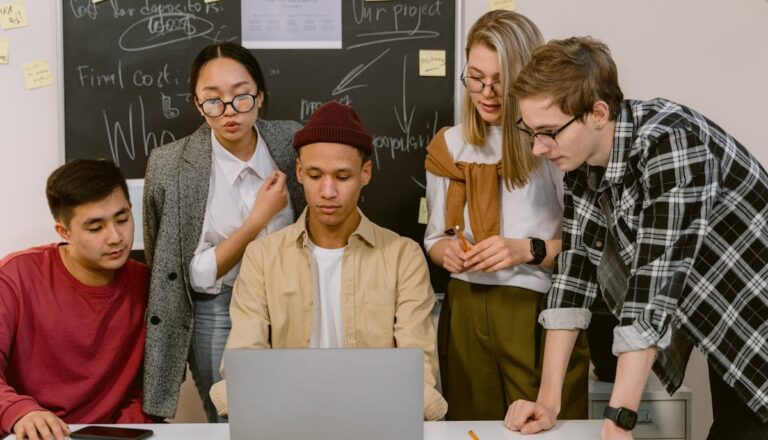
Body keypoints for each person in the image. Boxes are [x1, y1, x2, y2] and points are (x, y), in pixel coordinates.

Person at [505, 36, 768, 440]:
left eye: (549, 132)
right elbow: (573, 280)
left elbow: (652, 289)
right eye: (531, 132)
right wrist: (548, 402)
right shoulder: (581, 165)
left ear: (597, 112)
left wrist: (619, 418)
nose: (539, 148)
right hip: (730, 328)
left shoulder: (671, 143)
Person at [208, 100, 448, 420]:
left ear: (365, 174)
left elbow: (417, 373)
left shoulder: (403, 257)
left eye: (343, 176)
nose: (328, 191)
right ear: (299, 173)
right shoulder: (262, 257)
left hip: (374, 423)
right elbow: (243, 363)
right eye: (315, 175)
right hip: (288, 421)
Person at [423, 10, 589, 421]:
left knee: (544, 425)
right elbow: (434, 237)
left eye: (501, 80)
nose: (487, 92)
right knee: (471, 427)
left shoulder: (551, 140)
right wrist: (449, 253)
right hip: (463, 307)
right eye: (476, 77)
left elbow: (591, 248)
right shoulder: (449, 144)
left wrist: (524, 250)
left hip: (536, 310)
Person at [142, 42, 305, 422]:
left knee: (297, 414)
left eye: (241, 96)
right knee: (232, 418)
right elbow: (184, 273)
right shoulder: (170, 164)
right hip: (219, 308)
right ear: (197, 104)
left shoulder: (291, 141)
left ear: (260, 95)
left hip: (293, 299)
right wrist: (256, 221)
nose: (229, 111)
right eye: (212, 100)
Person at [0, 159, 154, 440]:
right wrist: (19, 411)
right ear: (64, 231)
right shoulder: (15, 276)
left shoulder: (147, 284)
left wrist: (125, 427)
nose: (116, 237)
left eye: (122, 219)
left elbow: (153, 387)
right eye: (95, 228)